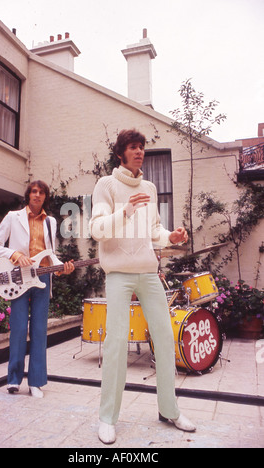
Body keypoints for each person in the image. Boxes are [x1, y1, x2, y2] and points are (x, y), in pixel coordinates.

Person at [90, 129, 196, 444]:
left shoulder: (148, 186)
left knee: (165, 339)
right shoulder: (105, 185)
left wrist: (170, 238)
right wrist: (125, 211)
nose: (140, 152)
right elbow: (96, 229)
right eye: (133, 147)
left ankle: (170, 410)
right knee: (117, 342)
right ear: (121, 153)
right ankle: (107, 418)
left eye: (142, 148)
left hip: (149, 273)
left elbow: (154, 232)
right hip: (119, 274)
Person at [0, 180, 74, 398]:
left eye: (41, 192)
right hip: (19, 280)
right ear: (28, 195)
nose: (37, 195)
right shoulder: (12, 217)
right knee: (17, 330)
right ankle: (13, 380)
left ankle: (36, 382)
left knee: (39, 332)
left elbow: (50, 253)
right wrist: (14, 255)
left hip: (42, 280)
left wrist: (61, 268)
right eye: (34, 191)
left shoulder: (51, 222)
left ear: (45, 197)